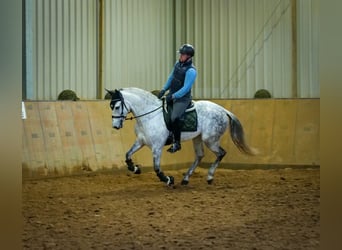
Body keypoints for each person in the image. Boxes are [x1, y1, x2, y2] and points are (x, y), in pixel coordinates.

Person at [158, 44, 197, 153]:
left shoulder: (191, 71)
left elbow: (185, 88)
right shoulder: (177, 64)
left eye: (182, 54)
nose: (180, 56)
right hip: (172, 94)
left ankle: (177, 143)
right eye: (180, 54)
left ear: (189, 56)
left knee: (174, 117)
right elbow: (171, 77)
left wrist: (173, 96)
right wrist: (163, 89)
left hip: (183, 99)